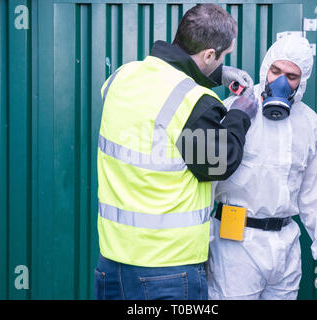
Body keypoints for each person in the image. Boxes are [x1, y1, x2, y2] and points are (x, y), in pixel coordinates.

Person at [95, 4, 258, 300]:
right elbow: (219, 163)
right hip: (166, 270)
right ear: (209, 54)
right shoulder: (193, 103)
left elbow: (160, 91)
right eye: (222, 56)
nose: (223, 60)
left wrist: (216, 73)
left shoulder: (122, 77)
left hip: (112, 262)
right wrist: (241, 115)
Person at [206, 35, 317, 300]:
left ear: (302, 81)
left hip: (286, 244)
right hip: (235, 245)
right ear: (266, 68)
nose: (280, 82)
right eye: (275, 71)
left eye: (291, 76)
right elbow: (207, 182)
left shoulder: (310, 125)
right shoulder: (235, 110)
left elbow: (315, 195)